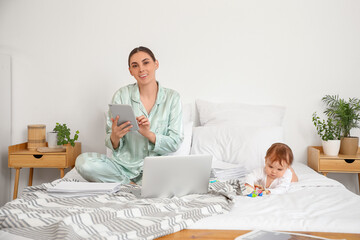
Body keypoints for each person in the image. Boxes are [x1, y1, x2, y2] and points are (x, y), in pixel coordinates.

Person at [75, 46, 184, 184]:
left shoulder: (172, 98)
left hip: (157, 169)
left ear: (156, 64)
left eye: (146, 63)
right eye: (135, 65)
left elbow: (175, 142)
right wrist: (115, 136)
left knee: (183, 174)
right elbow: (111, 141)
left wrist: (148, 134)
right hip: (122, 168)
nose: (141, 69)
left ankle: (126, 185)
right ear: (130, 71)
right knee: (83, 162)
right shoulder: (121, 95)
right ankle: (130, 185)